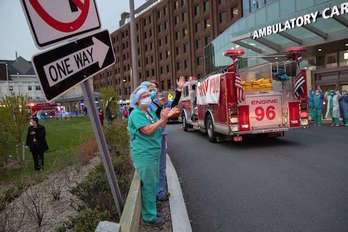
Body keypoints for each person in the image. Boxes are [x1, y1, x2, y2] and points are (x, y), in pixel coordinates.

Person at [128, 85, 176, 225]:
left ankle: (152, 211)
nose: (147, 98)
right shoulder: (136, 114)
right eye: (143, 97)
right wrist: (161, 120)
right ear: (137, 101)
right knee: (149, 185)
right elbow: (147, 130)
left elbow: (159, 127)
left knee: (153, 183)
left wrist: (164, 117)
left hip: (153, 154)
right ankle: (149, 217)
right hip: (145, 156)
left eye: (147, 96)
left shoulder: (148, 112)